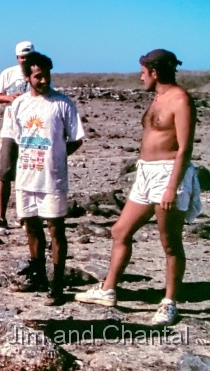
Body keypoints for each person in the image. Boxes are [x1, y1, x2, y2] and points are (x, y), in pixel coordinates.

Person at [75, 49, 201, 325]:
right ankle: (108, 289)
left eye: (143, 71)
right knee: (120, 230)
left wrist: (172, 187)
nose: (140, 76)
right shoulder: (157, 98)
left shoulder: (181, 100)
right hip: (146, 173)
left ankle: (169, 303)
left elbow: (185, 149)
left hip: (168, 174)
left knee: (170, 243)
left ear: (154, 72)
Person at [10, 52, 85, 305]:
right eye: (38, 76)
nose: (43, 81)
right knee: (31, 227)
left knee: (55, 229)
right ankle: (37, 275)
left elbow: (75, 139)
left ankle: (57, 284)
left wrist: (57, 156)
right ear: (28, 77)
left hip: (52, 178)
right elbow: (16, 139)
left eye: (46, 75)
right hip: (26, 177)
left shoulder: (62, 104)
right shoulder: (18, 104)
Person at [0, 41, 36, 229]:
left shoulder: (38, 74)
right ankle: (1, 215)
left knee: (29, 173)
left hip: (31, 131)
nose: (24, 60)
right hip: (10, 129)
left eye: (28, 56)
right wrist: (9, 98)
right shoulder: (8, 73)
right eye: (22, 57)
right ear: (17, 58)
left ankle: (27, 215)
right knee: (5, 172)